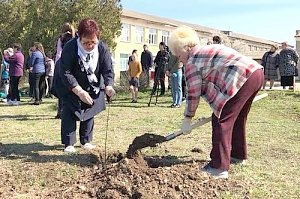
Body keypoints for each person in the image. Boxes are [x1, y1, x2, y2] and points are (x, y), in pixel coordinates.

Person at [168, 26, 264, 179]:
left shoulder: (192, 61)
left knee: (221, 120)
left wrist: (187, 119)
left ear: (186, 48)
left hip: (241, 77)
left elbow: (193, 94)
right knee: (236, 117)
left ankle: (218, 167)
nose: (179, 59)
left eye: (178, 55)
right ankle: (238, 155)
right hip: (256, 73)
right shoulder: (207, 49)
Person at [55, 18, 115, 153]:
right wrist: (79, 91)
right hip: (70, 85)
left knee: (90, 108)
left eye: (93, 42)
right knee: (69, 110)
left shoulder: (102, 48)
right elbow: (66, 72)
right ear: (79, 37)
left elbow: (107, 69)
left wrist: (109, 85)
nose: (89, 46)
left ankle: (86, 140)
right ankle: (69, 142)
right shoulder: (70, 47)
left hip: (91, 84)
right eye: (86, 42)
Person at [53, 22, 76, 119]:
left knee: (61, 89)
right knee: (72, 88)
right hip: (73, 65)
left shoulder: (61, 39)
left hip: (62, 64)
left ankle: (60, 111)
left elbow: (59, 53)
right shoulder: (76, 39)